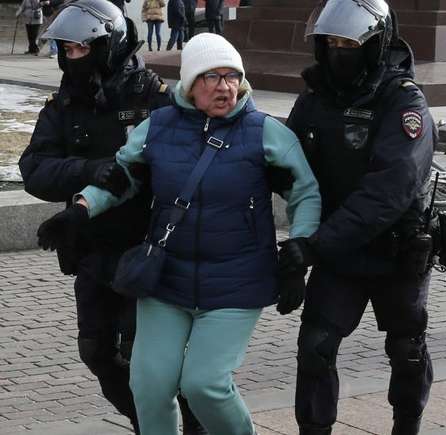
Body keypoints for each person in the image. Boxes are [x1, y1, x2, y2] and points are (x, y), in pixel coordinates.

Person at [36, 32, 321, 434]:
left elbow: (305, 192)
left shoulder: (265, 132)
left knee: (205, 385)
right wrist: (80, 210)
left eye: (232, 77)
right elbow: (122, 177)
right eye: (212, 77)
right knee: (149, 386)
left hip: (235, 282)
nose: (225, 87)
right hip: (167, 279)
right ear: (189, 84)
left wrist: (300, 246)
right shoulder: (159, 126)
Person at [19, 0, 206, 433]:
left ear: (108, 45)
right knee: (96, 351)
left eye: (79, 49)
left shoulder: (154, 97)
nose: (70, 57)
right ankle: (149, 425)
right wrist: (87, 169)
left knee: (149, 357)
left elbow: (193, 167)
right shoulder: (63, 104)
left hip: (149, 252)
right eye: (65, 50)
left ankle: (194, 426)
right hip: (92, 252)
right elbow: (34, 168)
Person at [284, 1, 436, 433]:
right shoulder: (315, 98)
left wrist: (314, 245)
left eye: (349, 43)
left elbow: (390, 189)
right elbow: (285, 169)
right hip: (337, 254)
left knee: (406, 350)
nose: (338, 52)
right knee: (314, 347)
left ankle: (407, 424)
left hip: (395, 251)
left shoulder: (402, 100)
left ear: (374, 45)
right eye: (331, 42)